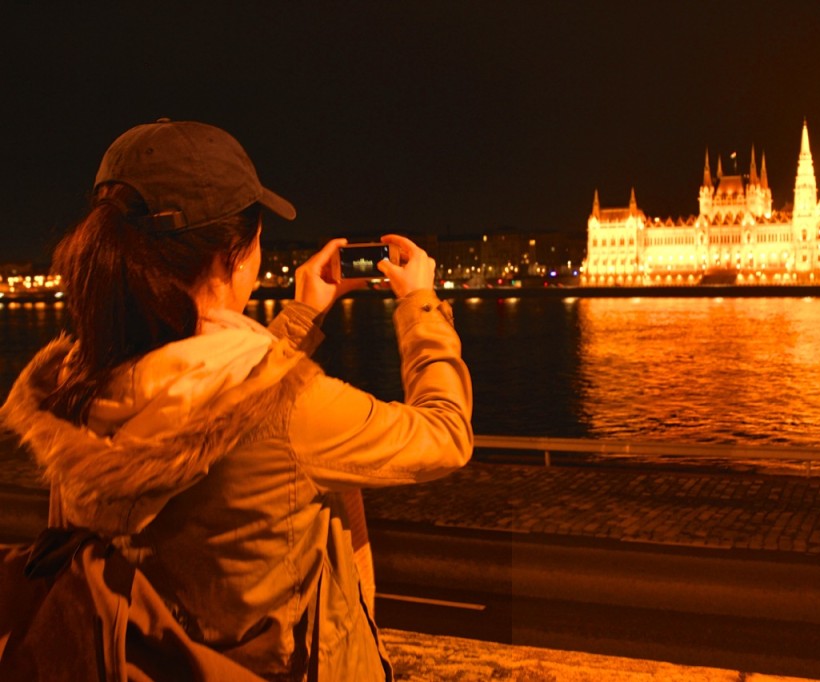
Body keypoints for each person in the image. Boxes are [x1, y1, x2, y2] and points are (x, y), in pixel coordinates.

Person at [0, 120, 473, 680]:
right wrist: (420, 305)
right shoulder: (295, 412)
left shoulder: (78, 389)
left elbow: (200, 396)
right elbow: (444, 435)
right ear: (234, 255)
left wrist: (298, 317)